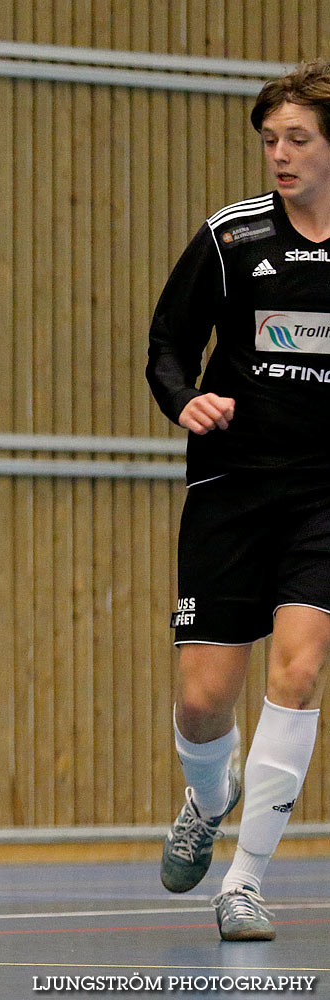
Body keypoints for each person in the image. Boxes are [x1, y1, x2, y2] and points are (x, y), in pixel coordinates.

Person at [146, 61, 330, 942]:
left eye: (298, 138)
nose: (281, 154)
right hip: (231, 488)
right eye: (271, 140)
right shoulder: (233, 238)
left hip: (323, 496)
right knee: (201, 702)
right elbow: (168, 343)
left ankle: (246, 883)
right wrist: (185, 398)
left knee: (298, 668)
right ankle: (207, 794)